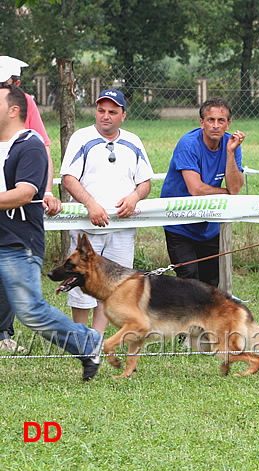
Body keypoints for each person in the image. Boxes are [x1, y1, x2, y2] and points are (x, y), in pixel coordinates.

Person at [0, 84, 101, 380]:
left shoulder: (29, 145)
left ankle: (86, 341)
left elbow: (24, 193)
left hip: (16, 242)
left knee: (30, 311)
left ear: (13, 110)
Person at [60, 89, 153, 335]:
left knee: (113, 285)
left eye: (113, 112)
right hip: (87, 228)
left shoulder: (133, 142)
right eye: (101, 110)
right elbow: (68, 178)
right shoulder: (81, 138)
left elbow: (145, 182)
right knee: (81, 281)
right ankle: (79, 336)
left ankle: (96, 338)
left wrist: (134, 197)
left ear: (123, 115)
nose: (106, 116)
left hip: (121, 227)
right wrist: (91, 204)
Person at [0, 56, 63, 352]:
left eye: (13, 84)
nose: (16, 87)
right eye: (11, 83)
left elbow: (41, 148)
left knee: (28, 306)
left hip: (17, 219)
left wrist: (47, 189)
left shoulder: (23, 110)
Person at [160, 97, 245, 287]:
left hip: (209, 226)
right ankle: (186, 316)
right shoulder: (188, 144)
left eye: (221, 121)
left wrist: (230, 153)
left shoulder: (231, 145)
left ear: (228, 124)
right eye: (210, 120)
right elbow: (196, 189)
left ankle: (207, 317)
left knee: (212, 282)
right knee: (189, 279)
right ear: (202, 123)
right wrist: (226, 193)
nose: (215, 125)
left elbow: (236, 188)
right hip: (179, 223)